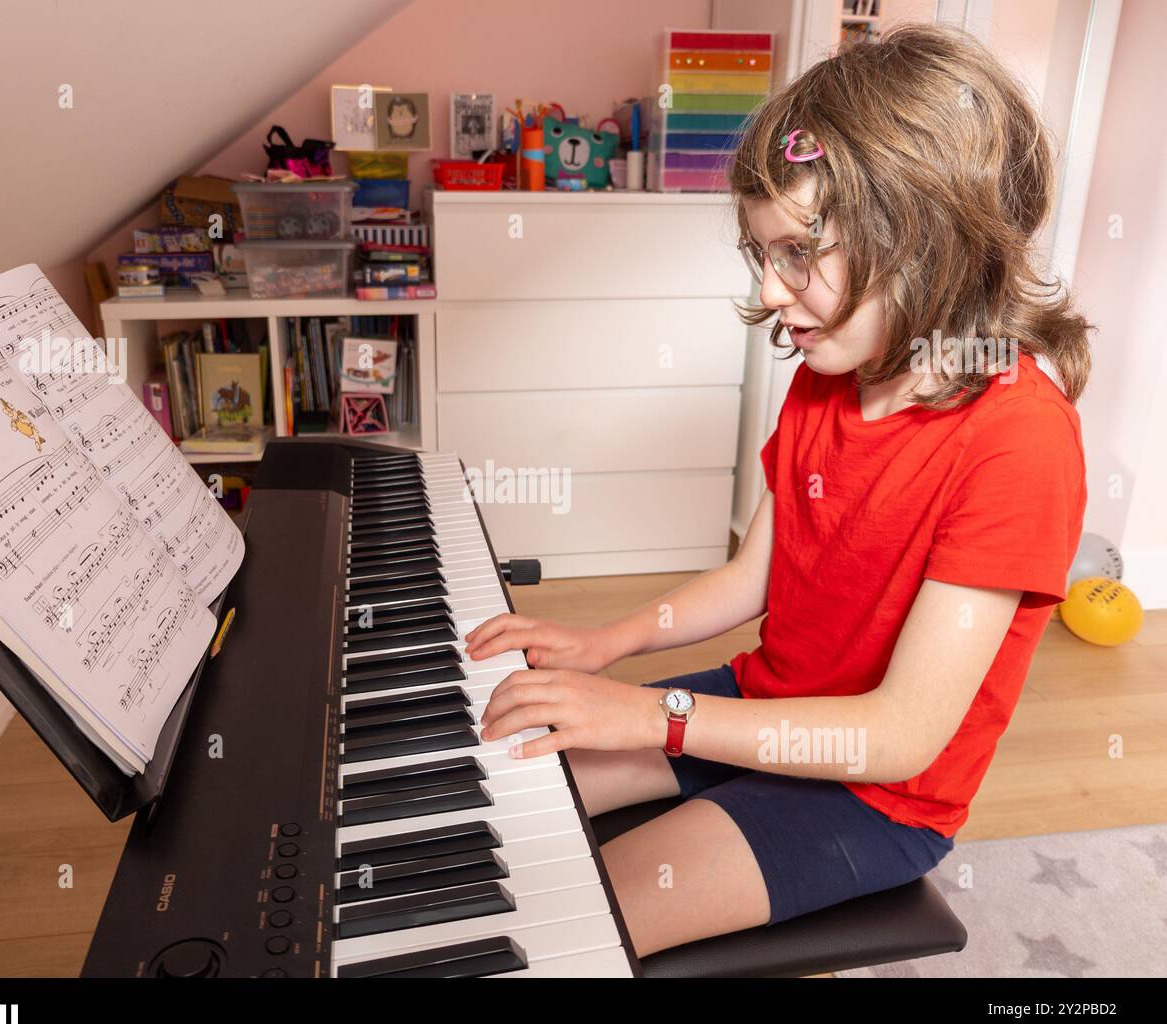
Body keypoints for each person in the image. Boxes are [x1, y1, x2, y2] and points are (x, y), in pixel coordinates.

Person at [464, 24, 1091, 958]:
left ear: (928, 237)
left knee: (573, 921)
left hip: (875, 793)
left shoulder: (1020, 438)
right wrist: (610, 641)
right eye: (764, 254)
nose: (773, 291)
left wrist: (654, 715)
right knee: (501, 780)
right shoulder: (830, 376)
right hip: (760, 700)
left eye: (799, 252)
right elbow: (755, 575)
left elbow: (901, 735)